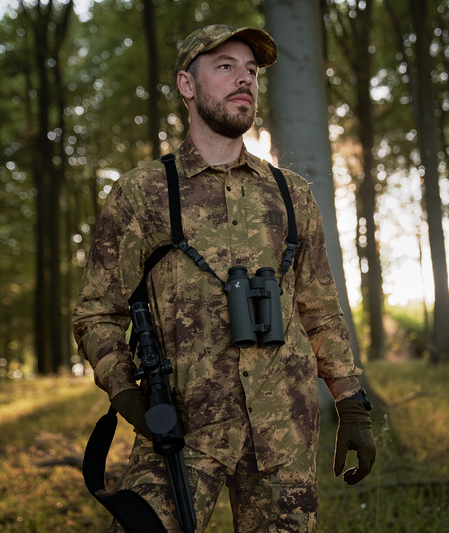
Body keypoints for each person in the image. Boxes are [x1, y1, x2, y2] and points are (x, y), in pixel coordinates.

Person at [73, 24, 376, 533]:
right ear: (187, 86)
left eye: (252, 71)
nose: (245, 80)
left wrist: (352, 404)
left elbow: (320, 308)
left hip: (283, 432)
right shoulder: (143, 193)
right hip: (182, 428)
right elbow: (97, 310)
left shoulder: (291, 194)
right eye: (226, 67)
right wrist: (128, 396)